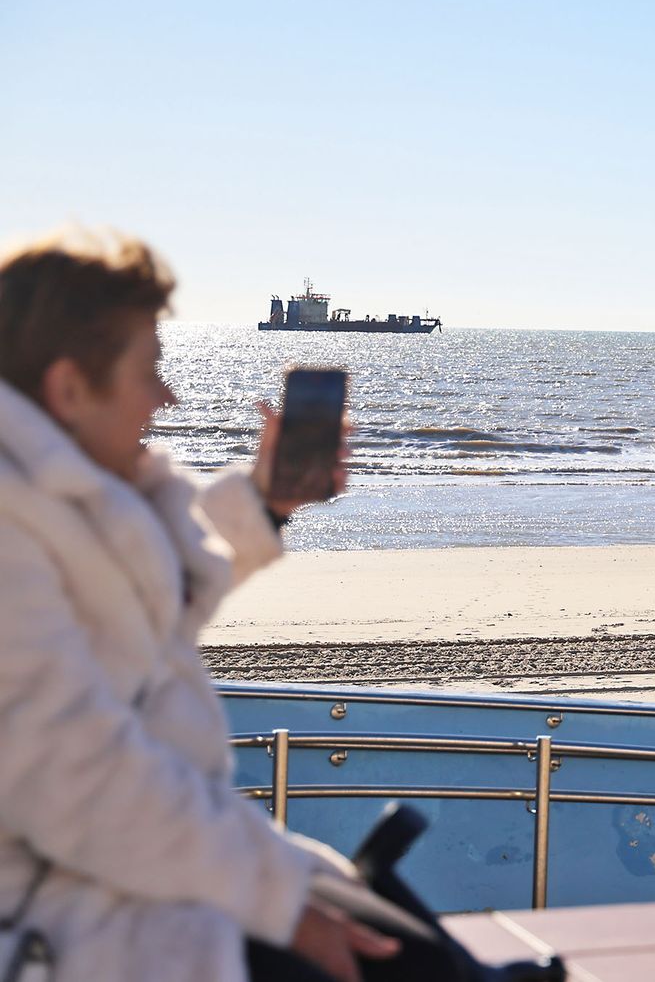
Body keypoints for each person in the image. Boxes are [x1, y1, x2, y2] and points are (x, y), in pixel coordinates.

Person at [0, 232, 396, 982]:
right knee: (375, 958)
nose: (167, 396)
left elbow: (155, 601)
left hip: (119, 871)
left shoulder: (57, 499)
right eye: (148, 369)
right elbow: (82, 782)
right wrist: (276, 896)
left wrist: (265, 502)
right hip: (53, 920)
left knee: (405, 943)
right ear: (69, 389)